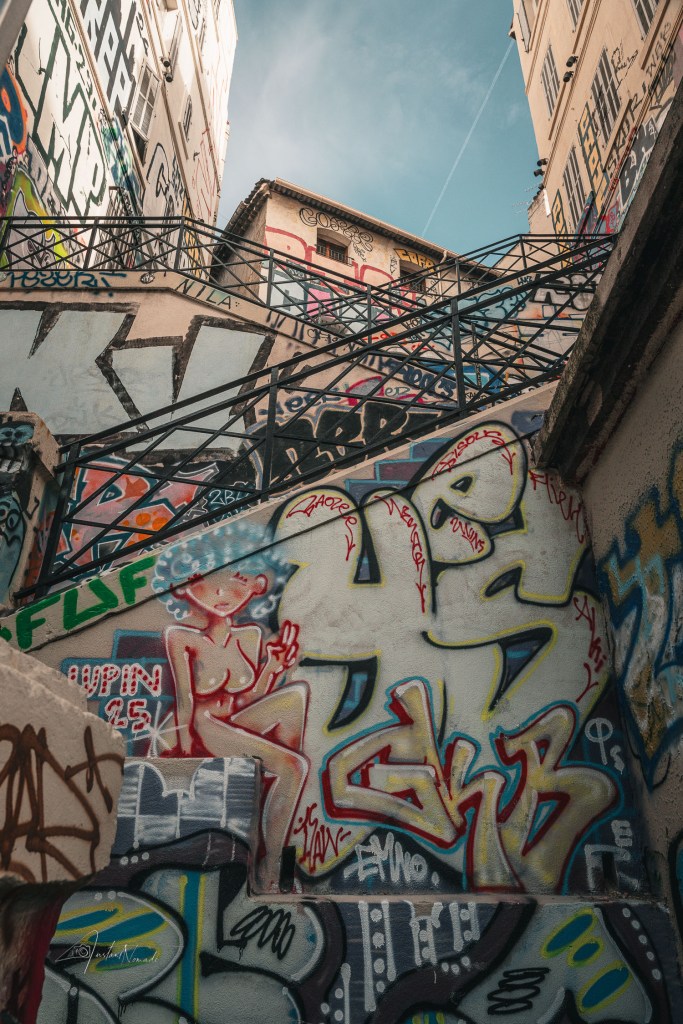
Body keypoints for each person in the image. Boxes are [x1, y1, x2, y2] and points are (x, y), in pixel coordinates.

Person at [152, 526, 308, 891]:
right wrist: (185, 754)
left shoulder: (250, 635)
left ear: (255, 586)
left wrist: (273, 668)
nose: (222, 594)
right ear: (186, 587)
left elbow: (251, 698)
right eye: (208, 582)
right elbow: (185, 701)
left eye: (237, 581)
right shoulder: (181, 637)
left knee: (295, 698)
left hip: (232, 723)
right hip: (202, 726)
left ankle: (269, 799)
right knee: (294, 767)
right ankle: (270, 867)